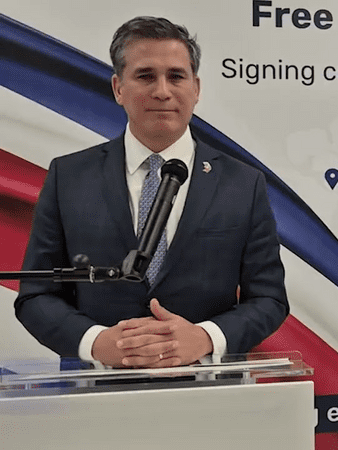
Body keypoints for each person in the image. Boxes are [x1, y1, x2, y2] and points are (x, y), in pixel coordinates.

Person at [15, 16, 288, 367]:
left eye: (176, 76)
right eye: (145, 76)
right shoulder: (68, 176)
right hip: (94, 396)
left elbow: (269, 299)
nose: (162, 91)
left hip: (211, 398)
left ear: (196, 88)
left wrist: (204, 338)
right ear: (118, 88)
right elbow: (36, 295)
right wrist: (96, 342)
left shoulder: (243, 183)